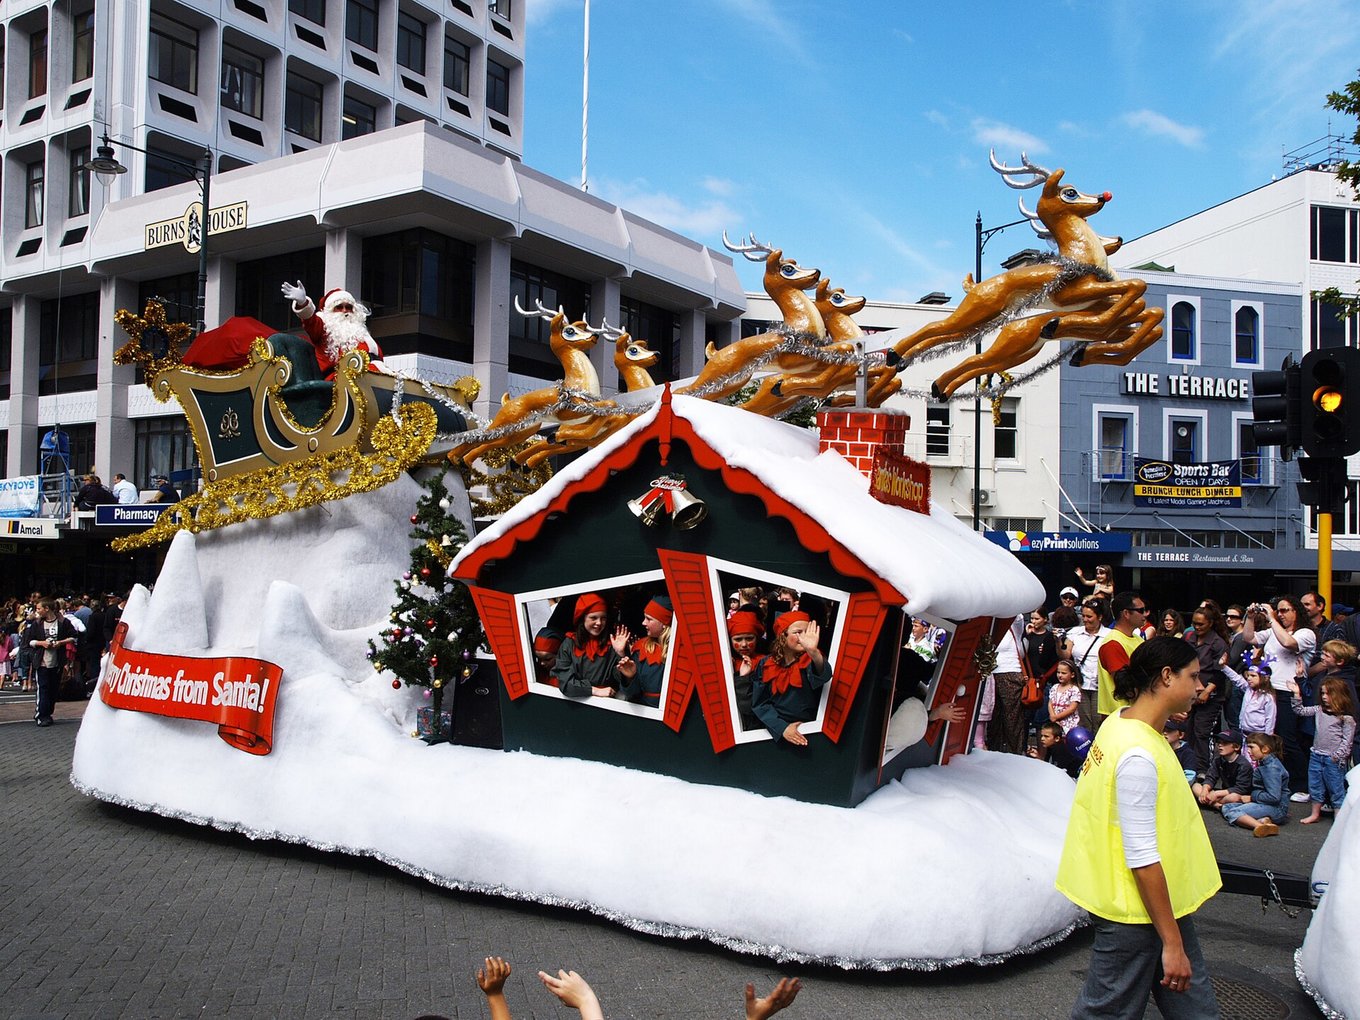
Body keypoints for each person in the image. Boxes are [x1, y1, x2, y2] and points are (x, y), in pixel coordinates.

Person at [1057, 636, 1222, 1018]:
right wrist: (1172, 943)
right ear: (1166, 676)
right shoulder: (1138, 754)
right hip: (1135, 912)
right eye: (1193, 676)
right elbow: (1142, 855)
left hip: (1158, 904)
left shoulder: (1119, 723)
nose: (1199, 686)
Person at [1241, 596, 1315, 799]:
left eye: (1285, 610)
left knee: (1287, 739)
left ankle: (1302, 785)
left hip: (1289, 691)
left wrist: (1271, 617)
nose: (1280, 614)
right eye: (1278, 610)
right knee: (1270, 738)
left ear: (1296, 611)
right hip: (1270, 690)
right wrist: (1250, 616)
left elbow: (1289, 643)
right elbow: (1249, 638)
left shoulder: (1305, 633)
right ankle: (1277, 782)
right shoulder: (1274, 631)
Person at [750, 611, 832, 745]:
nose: (804, 637)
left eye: (807, 632)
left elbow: (824, 676)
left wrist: (814, 652)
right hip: (776, 732)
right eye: (798, 632)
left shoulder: (811, 660)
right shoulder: (765, 664)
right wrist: (782, 728)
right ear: (783, 636)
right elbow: (760, 703)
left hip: (809, 731)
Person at [1286, 676, 1356, 824]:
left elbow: (1347, 742)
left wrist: (1337, 756)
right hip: (1316, 754)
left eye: (1328, 693)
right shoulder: (1319, 710)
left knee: (1336, 788)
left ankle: (1339, 818)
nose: (1324, 697)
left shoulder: (1346, 718)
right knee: (1315, 786)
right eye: (1322, 693)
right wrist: (1296, 694)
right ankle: (1315, 814)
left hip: (1333, 759)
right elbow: (1300, 710)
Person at [281, 281, 384, 379]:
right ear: (330, 311)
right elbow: (310, 322)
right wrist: (303, 303)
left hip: (371, 376)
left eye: (348, 307)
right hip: (340, 380)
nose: (345, 311)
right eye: (339, 307)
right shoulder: (325, 327)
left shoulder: (361, 332)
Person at [551, 593, 624, 699]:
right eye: (593, 618)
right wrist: (594, 690)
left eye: (603, 618)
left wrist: (621, 655)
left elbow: (621, 681)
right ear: (582, 618)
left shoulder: (612, 644)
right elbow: (565, 683)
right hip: (575, 702)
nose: (599, 623)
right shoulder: (569, 644)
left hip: (607, 702)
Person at [1218, 732, 1290, 837]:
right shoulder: (1265, 763)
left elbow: (1274, 797)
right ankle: (1264, 821)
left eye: (1251, 747)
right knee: (1227, 807)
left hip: (1277, 809)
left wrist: (1252, 797)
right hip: (1266, 804)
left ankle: (1260, 827)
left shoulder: (1271, 768)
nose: (1248, 750)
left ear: (1265, 749)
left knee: (1233, 811)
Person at [1183, 607, 1228, 772]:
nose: (1197, 627)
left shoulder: (1218, 643)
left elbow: (1220, 672)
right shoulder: (1189, 637)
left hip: (1211, 694)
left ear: (1210, 623)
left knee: (1202, 732)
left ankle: (1204, 770)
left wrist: (1207, 691)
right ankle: (1189, 766)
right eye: (1194, 623)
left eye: (1200, 624)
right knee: (1187, 730)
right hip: (1190, 692)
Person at [22, 599, 77, 727]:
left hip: (57, 661)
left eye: (39, 608)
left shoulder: (63, 622)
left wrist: (60, 643)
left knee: (53, 689)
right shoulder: (37, 624)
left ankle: (48, 713)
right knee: (43, 688)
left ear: (47, 609)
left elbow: (73, 636)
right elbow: (29, 641)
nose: (37, 611)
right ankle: (41, 715)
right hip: (42, 661)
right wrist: (42, 643)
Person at [1096, 591, 1148, 724]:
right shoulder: (1112, 643)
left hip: (1137, 712)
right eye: (1140, 610)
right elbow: (1125, 685)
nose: (1145, 614)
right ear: (1126, 613)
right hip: (1119, 716)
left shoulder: (1138, 639)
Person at [616, 595, 671, 706]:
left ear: (664, 623)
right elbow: (631, 694)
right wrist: (630, 677)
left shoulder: (677, 649)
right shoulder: (641, 648)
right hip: (644, 710)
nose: (643, 623)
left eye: (649, 619)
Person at [1064, 599, 1108, 734]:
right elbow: (1065, 655)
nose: (1085, 619)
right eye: (1083, 616)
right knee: (1084, 722)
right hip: (1080, 684)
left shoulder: (1109, 635)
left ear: (1100, 617)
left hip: (1100, 685)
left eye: (1089, 616)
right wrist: (1058, 642)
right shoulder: (1074, 633)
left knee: (1099, 722)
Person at [987, 614, 1027, 754]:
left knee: (1012, 719)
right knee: (993, 718)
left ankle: (1015, 753)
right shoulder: (989, 625)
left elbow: (1017, 614)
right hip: (990, 675)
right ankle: (994, 752)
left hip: (1010, 672)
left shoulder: (1014, 624)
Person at [1191, 731, 1253, 808]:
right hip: (1223, 793)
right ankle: (1217, 806)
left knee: (1234, 797)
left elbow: (1241, 788)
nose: (1220, 745)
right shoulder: (1218, 760)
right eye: (1219, 742)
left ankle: (1211, 803)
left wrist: (1216, 794)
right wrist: (1205, 789)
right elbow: (1210, 777)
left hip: (1235, 793)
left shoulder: (1243, 764)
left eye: (1225, 743)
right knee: (1196, 786)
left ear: (1236, 747)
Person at [727, 609, 765, 730]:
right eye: (738, 639)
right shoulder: (726, 662)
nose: (744, 644)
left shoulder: (765, 662)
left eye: (749, 638)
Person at [1222, 655, 1277, 735]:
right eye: (1248, 675)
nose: (1249, 678)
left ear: (1264, 678)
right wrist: (1223, 666)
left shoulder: (1268, 697)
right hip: (1244, 732)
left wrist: (1267, 737)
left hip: (1259, 735)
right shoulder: (1248, 690)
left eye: (1253, 676)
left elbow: (1270, 719)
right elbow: (1236, 678)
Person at [1047, 660, 1083, 735]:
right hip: (1055, 723)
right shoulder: (1055, 687)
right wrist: (1053, 716)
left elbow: (1072, 708)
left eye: (1063, 673)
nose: (1060, 675)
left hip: (1069, 724)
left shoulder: (1074, 690)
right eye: (1058, 672)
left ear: (1072, 675)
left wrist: (1057, 717)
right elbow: (1050, 703)